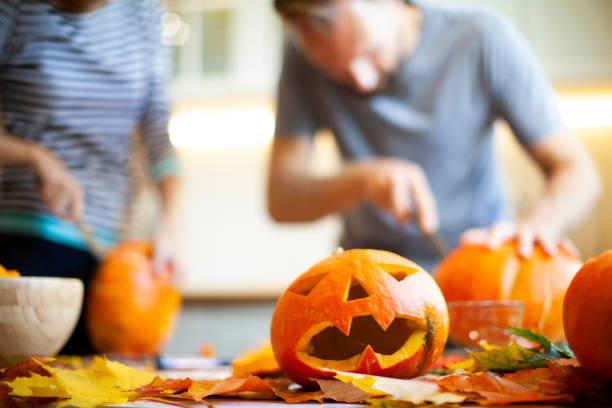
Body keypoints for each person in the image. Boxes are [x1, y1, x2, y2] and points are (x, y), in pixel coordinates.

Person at [267, 0, 601, 272]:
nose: (362, 82)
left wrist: (535, 227)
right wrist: (363, 180)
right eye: (335, 72)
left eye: (370, 53)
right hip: (373, 288)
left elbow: (577, 172)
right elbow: (282, 199)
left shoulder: (481, 39)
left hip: (482, 277)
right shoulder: (300, 57)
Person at [0, 0, 180, 354]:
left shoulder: (143, 12)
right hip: (23, 250)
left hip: (105, 254)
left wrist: (169, 224)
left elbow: (158, 134)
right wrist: (34, 156)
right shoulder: (14, 8)